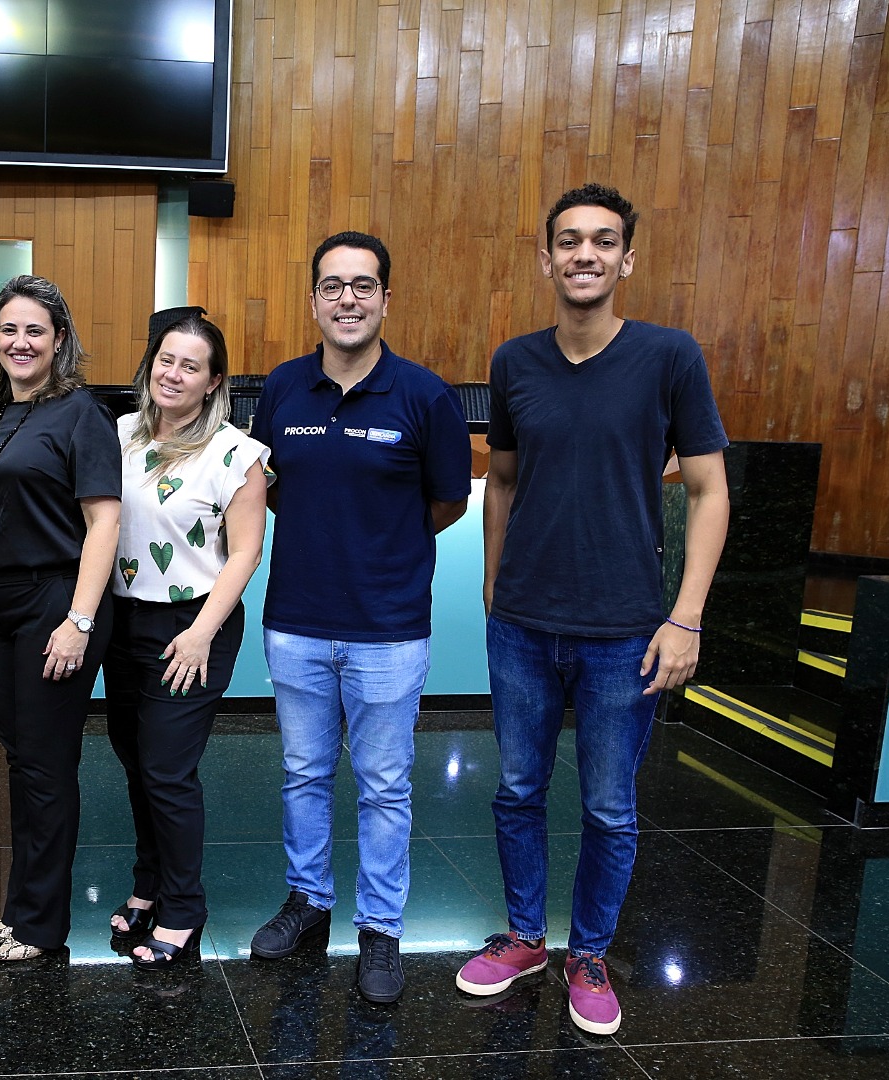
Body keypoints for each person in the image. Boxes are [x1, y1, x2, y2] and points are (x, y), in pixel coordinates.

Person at [455, 183, 729, 1035]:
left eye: (603, 241)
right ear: (547, 259)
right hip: (523, 626)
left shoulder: (669, 357)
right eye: (569, 240)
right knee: (517, 790)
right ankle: (525, 938)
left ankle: (590, 953)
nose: (585, 254)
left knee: (610, 806)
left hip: (625, 631)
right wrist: (493, 584)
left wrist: (686, 617)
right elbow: (502, 480)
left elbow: (710, 489)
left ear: (626, 259)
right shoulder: (514, 362)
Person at [248, 232, 473, 1002]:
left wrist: (383, 544)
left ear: (385, 299)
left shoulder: (424, 395)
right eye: (333, 285)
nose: (348, 299)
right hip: (296, 622)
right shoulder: (282, 388)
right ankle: (308, 901)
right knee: (303, 773)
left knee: (383, 785)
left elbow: (448, 501)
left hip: (389, 628)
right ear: (314, 300)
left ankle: (380, 929)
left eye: (363, 285)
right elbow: (269, 486)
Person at [0, 275, 122, 964]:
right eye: (9, 329)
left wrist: (79, 620)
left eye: (35, 331)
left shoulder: (83, 413)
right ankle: (19, 910)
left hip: (55, 600)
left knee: (47, 767)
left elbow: (104, 521)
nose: (20, 342)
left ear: (59, 341)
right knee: (22, 761)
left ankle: (43, 925)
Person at [103, 314, 271, 968]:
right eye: (164, 360)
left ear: (213, 381)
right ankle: (148, 883)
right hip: (124, 621)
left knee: (168, 772)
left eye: (190, 366)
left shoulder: (237, 454)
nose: (172, 374)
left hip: (194, 626)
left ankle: (183, 908)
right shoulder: (121, 434)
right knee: (135, 762)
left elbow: (246, 552)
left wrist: (201, 633)